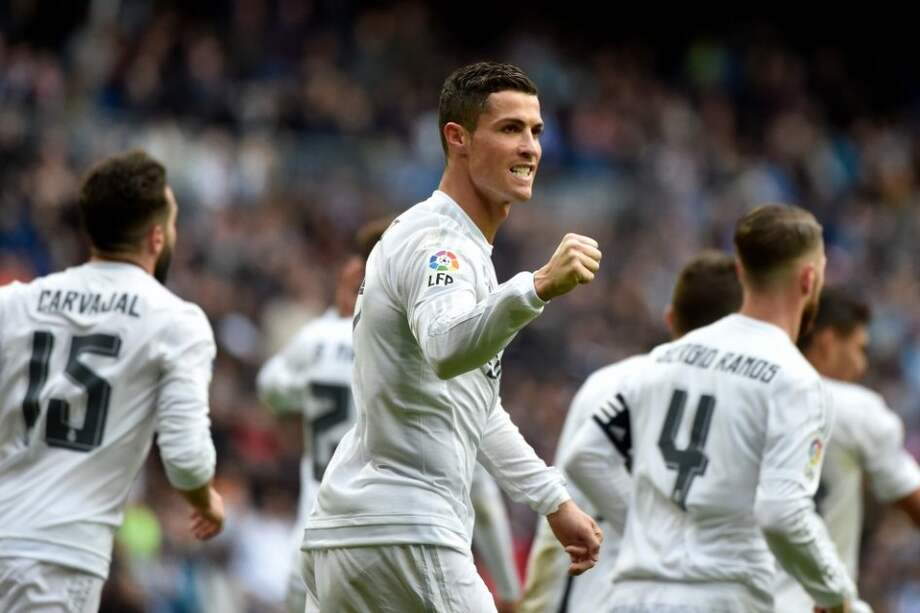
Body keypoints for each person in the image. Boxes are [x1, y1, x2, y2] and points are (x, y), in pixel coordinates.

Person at [301, 61, 603, 612]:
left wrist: (552, 501)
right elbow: (446, 346)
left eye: (536, 131)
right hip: (407, 532)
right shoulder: (441, 242)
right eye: (510, 129)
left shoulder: (450, 243)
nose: (530, 147)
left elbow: (474, 408)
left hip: (348, 536)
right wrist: (535, 288)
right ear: (457, 139)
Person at [567, 205, 855, 613]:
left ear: (740, 272)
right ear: (810, 279)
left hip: (633, 597)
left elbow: (587, 455)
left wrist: (649, 534)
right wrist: (835, 593)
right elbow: (783, 511)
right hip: (723, 595)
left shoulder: (666, 357)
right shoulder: (796, 380)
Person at [258, 219, 523, 612]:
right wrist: (509, 590)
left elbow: (270, 387)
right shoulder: (419, 361)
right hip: (400, 546)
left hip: (314, 550)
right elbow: (481, 490)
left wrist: (311, 388)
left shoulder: (316, 339)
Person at [0, 150, 224, 612]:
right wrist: (205, 501)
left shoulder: (16, 303)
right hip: (58, 558)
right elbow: (185, 458)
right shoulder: (176, 322)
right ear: (158, 236)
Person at [522, 249, 742, 613]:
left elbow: (556, 517)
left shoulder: (608, 383)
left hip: (588, 593)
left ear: (671, 319)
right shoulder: (733, 405)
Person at [773, 286, 920, 612]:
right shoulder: (856, 409)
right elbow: (914, 502)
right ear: (828, 342)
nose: (862, 366)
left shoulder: (751, 398)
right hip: (816, 604)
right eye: (858, 349)